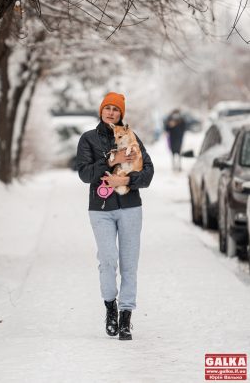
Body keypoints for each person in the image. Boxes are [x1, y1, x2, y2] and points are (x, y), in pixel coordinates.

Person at [76, 92, 154, 341]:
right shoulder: (88, 139)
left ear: (122, 114)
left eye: (116, 109)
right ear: (101, 110)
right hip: (101, 209)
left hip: (131, 207)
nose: (111, 112)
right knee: (108, 260)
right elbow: (86, 174)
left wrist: (127, 180)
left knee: (129, 264)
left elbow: (149, 172)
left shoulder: (131, 137)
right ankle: (110, 306)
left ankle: (126, 317)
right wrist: (113, 160)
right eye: (107, 108)